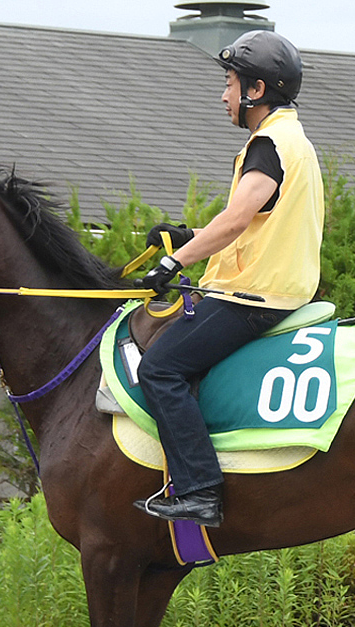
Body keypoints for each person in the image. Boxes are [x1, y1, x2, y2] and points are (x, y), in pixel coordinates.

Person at [133, 30, 325, 528]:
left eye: (230, 83)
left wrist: (174, 265)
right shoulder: (290, 140)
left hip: (255, 295)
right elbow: (249, 223)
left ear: (256, 91)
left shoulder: (269, 143)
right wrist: (184, 236)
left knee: (159, 369)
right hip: (271, 287)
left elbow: (236, 221)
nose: (224, 95)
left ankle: (200, 491)